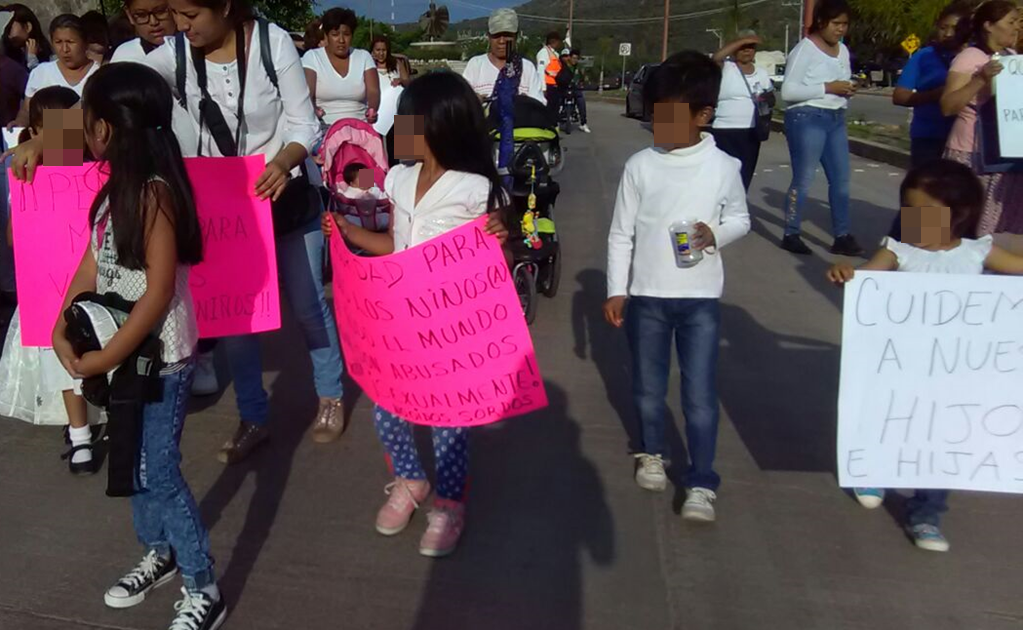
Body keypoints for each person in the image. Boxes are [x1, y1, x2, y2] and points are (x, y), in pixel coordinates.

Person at [46, 62, 224, 628]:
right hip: (122, 355)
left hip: (159, 359)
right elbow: (90, 266)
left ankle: (203, 584)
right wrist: (61, 324)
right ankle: (160, 550)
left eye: (85, 118)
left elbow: (159, 289)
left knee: (159, 468)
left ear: (105, 128)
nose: (81, 129)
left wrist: (107, 355)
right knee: (132, 463)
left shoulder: (154, 195)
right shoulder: (109, 196)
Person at [143, 0, 346, 458]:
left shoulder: (273, 45)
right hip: (224, 211)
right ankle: (253, 416)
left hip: (286, 198)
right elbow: (109, 91)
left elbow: (305, 124)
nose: (181, 25)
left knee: (309, 303)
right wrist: (47, 136)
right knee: (236, 319)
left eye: (191, 14)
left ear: (226, 6)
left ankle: (330, 395)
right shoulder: (172, 54)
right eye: (175, 13)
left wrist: (282, 161)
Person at [322, 72, 510, 557]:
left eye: (409, 119)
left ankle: (449, 502)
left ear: (442, 125)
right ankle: (410, 480)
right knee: (388, 411)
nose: (399, 129)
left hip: (452, 331)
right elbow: (394, 244)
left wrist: (500, 241)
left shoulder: (477, 190)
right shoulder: (400, 179)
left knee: (449, 424)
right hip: (400, 323)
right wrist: (347, 233)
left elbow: (494, 267)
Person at [826, 159, 1023, 552]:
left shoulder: (979, 253)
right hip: (901, 367)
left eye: (925, 213)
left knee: (939, 441)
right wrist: (847, 274)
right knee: (888, 417)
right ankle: (871, 468)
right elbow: (867, 279)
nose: (913, 221)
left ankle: (926, 514)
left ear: (960, 214)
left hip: (953, 374)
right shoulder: (898, 252)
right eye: (908, 211)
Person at [604, 51, 750, 523]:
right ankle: (651, 451)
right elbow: (621, 232)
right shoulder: (641, 165)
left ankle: (702, 482)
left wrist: (716, 232)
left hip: (700, 300)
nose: (658, 123)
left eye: (669, 114)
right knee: (648, 386)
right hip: (647, 296)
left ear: (703, 115)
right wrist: (616, 288)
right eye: (655, 112)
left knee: (699, 394)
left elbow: (740, 218)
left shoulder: (723, 166)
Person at [0, 86, 96, 476]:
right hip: (49, 286)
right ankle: (81, 438)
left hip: (91, 283)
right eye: (39, 127)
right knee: (63, 360)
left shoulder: (98, 172)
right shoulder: (30, 176)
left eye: (56, 127)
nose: (47, 138)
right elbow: (11, 236)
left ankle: (84, 436)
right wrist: (27, 211)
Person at [779, 0, 863, 257]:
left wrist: (847, 89)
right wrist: (827, 87)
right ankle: (791, 232)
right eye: (835, 24)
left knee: (841, 180)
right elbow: (788, 91)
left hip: (836, 116)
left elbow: (841, 82)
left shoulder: (844, 51)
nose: (840, 29)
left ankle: (842, 235)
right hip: (807, 117)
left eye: (844, 24)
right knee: (804, 179)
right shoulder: (804, 50)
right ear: (821, 23)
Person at [940, 0, 1023, 235]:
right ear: (989, 25)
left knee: (997, 228)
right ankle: (912, 258)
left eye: (1018, 22)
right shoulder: (969, 57)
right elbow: (947, 106)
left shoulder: (1012, 57)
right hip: (970, 153)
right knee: (952, 224)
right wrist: (980, 80)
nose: (1016, 28)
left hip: (1004, 156)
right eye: (1011, 22)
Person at [893, 3, 970, 168]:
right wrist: (934, 95)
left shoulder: (975, 57)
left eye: (955, 28)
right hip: (928, 137)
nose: (948, 34)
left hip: (964, 140)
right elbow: (899, 96)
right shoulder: (923, 56)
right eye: (943, 27)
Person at [9, 14, 100, 129]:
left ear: (85, 42)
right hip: (48, 145)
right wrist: (19, 123)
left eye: (71, 42)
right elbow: (26, 111)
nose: (65, 49)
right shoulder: (41, 72)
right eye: (58, 42)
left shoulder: (100, 75)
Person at [711, 31, 775, 191]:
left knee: (744, 176)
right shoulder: (726, 68)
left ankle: (736, 211)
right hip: (725, 131)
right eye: (742, 47)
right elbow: (716, 58)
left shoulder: (761, 73)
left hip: (752, 131)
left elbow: (769, 100)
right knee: (725, 176)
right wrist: (742, 40)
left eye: (751, 47)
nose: (747, 50)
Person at [302, 7, 380, 127]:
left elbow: (373, 91)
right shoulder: (312, 57)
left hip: (359, 128)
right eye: (335, 34)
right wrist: (314, 111)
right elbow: (308, 94)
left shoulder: (364, 57)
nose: (341, 40)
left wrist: (372, 109)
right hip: (324, 129)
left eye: (347, 35)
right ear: (326, 36)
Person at [461, 8, 546, 104]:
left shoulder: (527, 68)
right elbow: (460, 102)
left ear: (516, 36)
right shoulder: (475, 65)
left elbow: (540, 107)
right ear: (489, 36)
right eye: (496, 35)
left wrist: (527, 103)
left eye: (507, 35)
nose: (501, 41)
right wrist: (473, 101)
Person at [111, 0, 175, 63]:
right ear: (129, 15)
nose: (153, 22)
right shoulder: (125, 56)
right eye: (141, 15)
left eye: (160, 11)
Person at [1, 3, 52, 70]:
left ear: (28, 27)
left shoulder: (51, 57)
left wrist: (32, 59)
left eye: (9, 29)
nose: (7, 35)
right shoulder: (9, 55)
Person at [536, 30, 563, 122]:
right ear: (553, 41)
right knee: (549, 111)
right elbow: (540, 71)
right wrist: (543, 88)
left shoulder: (555, 54)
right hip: (548, 86)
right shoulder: (543, 53)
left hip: (555, 85)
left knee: (555, 111)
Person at [563, 48, 590, 133]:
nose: (574, 60)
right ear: (569, 58)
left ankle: (583, 123)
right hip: (565, 87)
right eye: (573, 58)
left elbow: (584, 76)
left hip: (576, 88)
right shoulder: (564, 65)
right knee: (558, 100)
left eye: (576, 58)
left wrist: (585, 80)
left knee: (581, 102)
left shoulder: (579, 67)